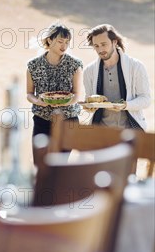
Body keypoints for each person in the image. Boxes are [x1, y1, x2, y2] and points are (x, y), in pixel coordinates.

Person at [26, 22, 82, 164]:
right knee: (40, 164)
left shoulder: (75, 65)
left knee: (60, 166)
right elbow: (29, 93)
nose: (64, 46)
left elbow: (77, 94)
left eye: (67, 42)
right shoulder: (33, 65)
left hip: (68, 120)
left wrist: (65, 101)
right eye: (60, 41)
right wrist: (39, 101)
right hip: (42, 120)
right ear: (49, 40)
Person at [84, 24, 150, 130]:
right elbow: (89, 99)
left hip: (130, 131)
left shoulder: (136, 66)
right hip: (101, 132)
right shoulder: (88, 71)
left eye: (104, 44)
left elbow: (146, 99)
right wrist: (89, 106)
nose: (100, 49)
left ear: (114, 42)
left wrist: (125, 105)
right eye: (96, 46)